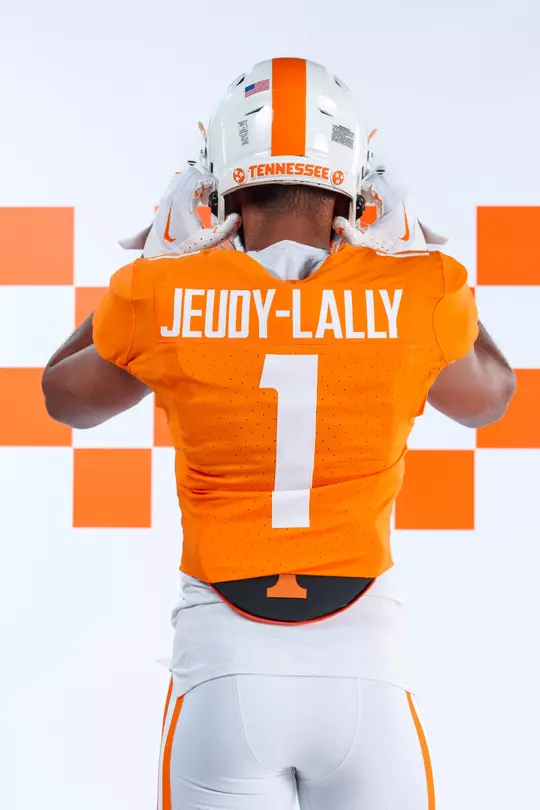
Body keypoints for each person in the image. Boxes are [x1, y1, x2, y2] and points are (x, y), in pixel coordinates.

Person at [42, 57, 515, 810]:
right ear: (355, 177)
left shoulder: (165, 293)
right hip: (367, 665)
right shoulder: (421, 289)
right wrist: (413, 247)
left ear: (221, 176)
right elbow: (491, 396)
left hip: (225, 666)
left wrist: (165, 250)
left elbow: (64, 396)